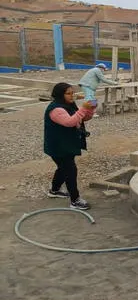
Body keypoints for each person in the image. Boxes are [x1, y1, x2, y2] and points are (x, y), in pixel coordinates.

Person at [44, 82, 95, 210]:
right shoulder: (56, 109)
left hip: (65, 144)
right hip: (58, 146)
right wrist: (83, 108)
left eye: (73, 93)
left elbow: (81, 118)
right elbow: (70, 122)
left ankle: (54, 191)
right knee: (70, 171)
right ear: (60, 95)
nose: (72, 96)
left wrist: (90, 109)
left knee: (63, 168)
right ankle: (75, 200)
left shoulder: (68, 105)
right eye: (68, 93)